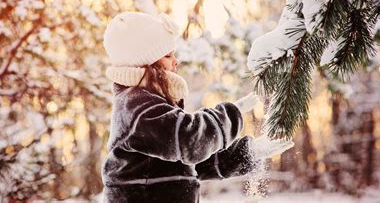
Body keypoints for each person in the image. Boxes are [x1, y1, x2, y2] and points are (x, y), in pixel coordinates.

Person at [101, 11, 293, 203]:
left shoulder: (149, 105)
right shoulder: (137, 108)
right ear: (146, 64)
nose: (176, 61)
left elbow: (190, 162)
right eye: (168, 56)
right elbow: (190, 141)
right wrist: (229, 115)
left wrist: (247, 153)